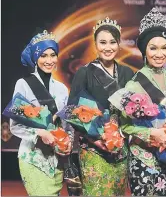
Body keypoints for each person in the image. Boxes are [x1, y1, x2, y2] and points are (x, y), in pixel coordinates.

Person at [109, 7, 166, 196]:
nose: (159, 54)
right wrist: (151, 132)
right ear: (144, 50)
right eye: (153, 48)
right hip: (142, 159)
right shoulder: (134, 84)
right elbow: (125, 127)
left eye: (164, 48)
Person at [68, 17, 134, 196]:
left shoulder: (127, 73)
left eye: (113, 42)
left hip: (119, 149)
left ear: (119, 44)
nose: (108, 47)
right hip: (93, 149)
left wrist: (119, 138)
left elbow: (135, 109)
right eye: (102, 42)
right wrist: (97, 140)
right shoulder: (84, 72)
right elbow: (72, 111)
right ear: (95, 45)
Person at [10, 30, 73, 195]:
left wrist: (68, 144)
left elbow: (66, 127)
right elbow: (14, 126)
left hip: (56, 160)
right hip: (32, 158)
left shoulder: (62, 89)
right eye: (43, 55)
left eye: (53, 55)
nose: (49, 60)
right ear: (35, 58)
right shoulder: (23, 84)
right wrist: (40, 133)